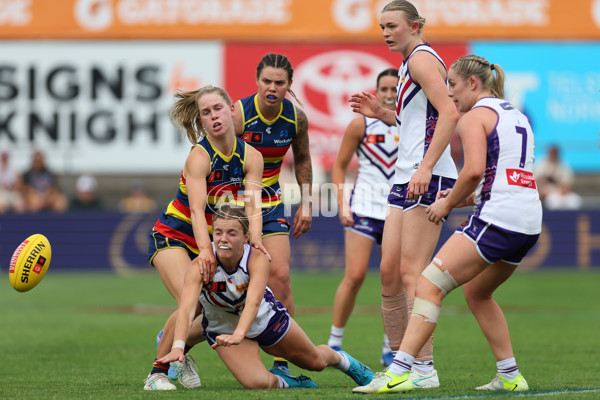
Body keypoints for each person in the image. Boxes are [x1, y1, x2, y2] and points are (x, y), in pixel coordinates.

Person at [353, 55, 542, 394]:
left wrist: (447, 203)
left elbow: (472, 172)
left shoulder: (473, 118)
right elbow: (498, 178)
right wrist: (460, 197)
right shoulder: (517, 115)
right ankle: (511, 376)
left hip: (498, 218)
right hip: (529, 219)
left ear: (473, 84)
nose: (449, 94)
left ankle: (401, 371)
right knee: (478, 293)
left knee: (427, 285)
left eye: (452, 85)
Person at [349, 0, 460, 388]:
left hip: (424, 177)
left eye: (392, 25)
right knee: (390, 274)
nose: (385, 32)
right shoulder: (409, 59)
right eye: (382, 26)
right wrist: (383, 115)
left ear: (414, 25)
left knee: (414, 273)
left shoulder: (421, 59)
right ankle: (401, 366)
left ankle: (422, 370)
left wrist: (427, 167)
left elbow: (449, 113)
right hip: (406, 176)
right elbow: (418, 121)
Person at [151, 205, 374, 391]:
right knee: (256, 383)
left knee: (316, 362)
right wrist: (178, 346)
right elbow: (188, 308)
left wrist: (240, 334)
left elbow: (253, 302)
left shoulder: (256, 258)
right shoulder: (201, 263)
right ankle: (291, 383)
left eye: (232, 233)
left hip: (264, 319)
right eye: (218, 232)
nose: (223, 239)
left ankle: (344, 361)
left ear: (246, 237)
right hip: (223, 328)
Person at [145, 85, 266, 390]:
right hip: (173, 235)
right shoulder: (200, 157)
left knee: (211, 308)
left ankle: (176, 344)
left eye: (218, 109)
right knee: (194, 302)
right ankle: (157, 374)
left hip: (208, 238)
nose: (214, 116)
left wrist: (258, 241)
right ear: (201, 121)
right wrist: (206, 252)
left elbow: (252, 205)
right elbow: (198, 211)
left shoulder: (251, 156)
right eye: (206, 113)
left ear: (232, 110)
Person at [232, 53, 313, 373]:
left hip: (270, 203)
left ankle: (282, 360)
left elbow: (303, 160)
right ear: (257, 81)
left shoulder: (297, 118)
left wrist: (306, 204)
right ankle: (180, 335)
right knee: (219, 283)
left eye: (280, 83)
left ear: (289, 85)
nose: (272, 88)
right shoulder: (238, 114)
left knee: (280, 276)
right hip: (233, 205)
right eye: (266, 81)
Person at [327, 68, 399, 367]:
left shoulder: (411, 124)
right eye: (384, 89)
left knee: (393, 281)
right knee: (354, 276)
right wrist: (342, 204)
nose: (389, 94)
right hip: (365, 208)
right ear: (376, 92)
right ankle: (334, 342)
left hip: (397, 209)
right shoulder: (360, 125)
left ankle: (390, 346)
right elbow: (340, 166)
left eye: (395, 89)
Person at [533, 145, 580, 209]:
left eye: (555, 153)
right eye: (552, 153)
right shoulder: (541, 163)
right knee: (551, 200)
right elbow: (535, 181)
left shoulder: (563, 165)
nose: (553, 155)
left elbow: (566, 185)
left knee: (575, 200)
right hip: (545, 193)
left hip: (558, 192)